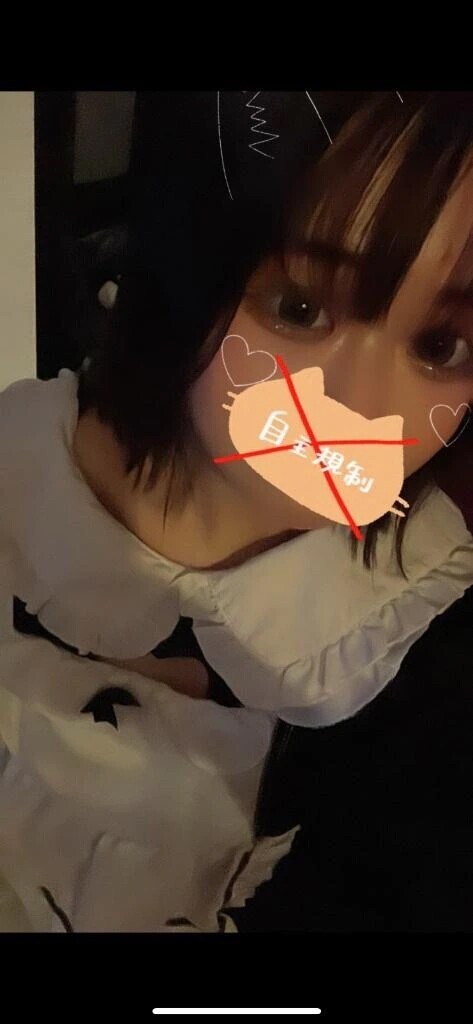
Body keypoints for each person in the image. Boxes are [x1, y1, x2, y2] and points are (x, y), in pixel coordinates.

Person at [0, 91, 472, 932]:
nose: (364, 408)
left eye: (440, 346)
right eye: (300, 309)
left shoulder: (417, 640)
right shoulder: (21, 471)